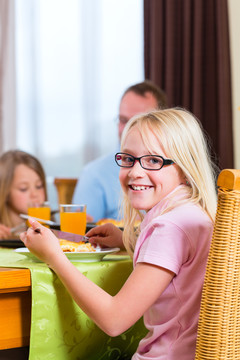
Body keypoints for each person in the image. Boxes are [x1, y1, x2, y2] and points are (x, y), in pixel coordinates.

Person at [21, 108, 217, 359]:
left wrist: (55, 257)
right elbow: (179, 266)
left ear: (184, 167)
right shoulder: (192, 213)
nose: (135, 172)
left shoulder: (169, 227)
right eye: (128, 158)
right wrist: (128, 240)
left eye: (154, 161)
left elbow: (114, 321)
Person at [73, 80, 167, 222]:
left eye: (138, 121)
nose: (127, 130)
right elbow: (76, 236)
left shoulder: (176, 169)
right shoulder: (94, 174)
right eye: (123, 120)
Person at [0, 150, 48, 239]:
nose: (35, 194)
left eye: (39, 186)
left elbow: (77, 239)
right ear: (5, 192)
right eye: (23, 189)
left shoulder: (50, 230)